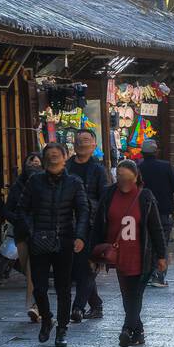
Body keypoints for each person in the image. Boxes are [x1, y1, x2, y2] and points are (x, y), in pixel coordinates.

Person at [16, 142, 88, 347]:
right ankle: (46, 319)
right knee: (38, 288)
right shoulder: (34, 181)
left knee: (63, 288)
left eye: (58, 154)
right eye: (50, 154)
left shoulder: (74, 182)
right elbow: (22, 209)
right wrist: (31, 232)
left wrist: (80, 236)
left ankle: (62, 329)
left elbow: (83, 210)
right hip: (39, 240)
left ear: (66, 157)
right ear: (45, 158)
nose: (54, 157)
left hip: (64, 240)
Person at [92, 160, 168, 347]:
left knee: (136, 295)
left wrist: (161, 255)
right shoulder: (109, 194)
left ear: (136, 177)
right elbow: (99, 224)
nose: (123, 182)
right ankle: (138, 332)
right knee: (128, 296)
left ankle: (127, 329)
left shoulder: (145, 197)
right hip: (118, 256)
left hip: (141, 255)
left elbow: (156, 228)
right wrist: (93, 252)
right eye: (120, 178)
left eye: (127, 178)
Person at [66, 127, 107, 321]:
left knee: (88, 265)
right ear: (73, 144)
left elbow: (104, 199)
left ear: (94, 145)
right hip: (68, 222)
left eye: (86, 140)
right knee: (77, 267)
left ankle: (78, 307)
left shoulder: (98, 170)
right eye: (79, 140)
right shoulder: (66, 167)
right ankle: (96, 304)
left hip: (90, 223)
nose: (82, 143)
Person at [137, 138, 174, 287]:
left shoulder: (138, 168)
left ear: (142, 152)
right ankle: (158, 276)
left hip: (142, 212)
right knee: (162, 243)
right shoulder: (166, 167)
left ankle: (145, 274)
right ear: (156, 151)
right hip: (163, 212)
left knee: (146, 243)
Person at [5, 152, 44, 322]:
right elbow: (7, 210)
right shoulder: (17, 186)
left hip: (41, 233)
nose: (34, 165)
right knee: (28, 269)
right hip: (22, 233)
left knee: (33, 270)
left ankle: (35, 305)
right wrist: (20, 220)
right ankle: (37, 305)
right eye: (31, 162)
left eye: (37, 163)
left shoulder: (46, 184)